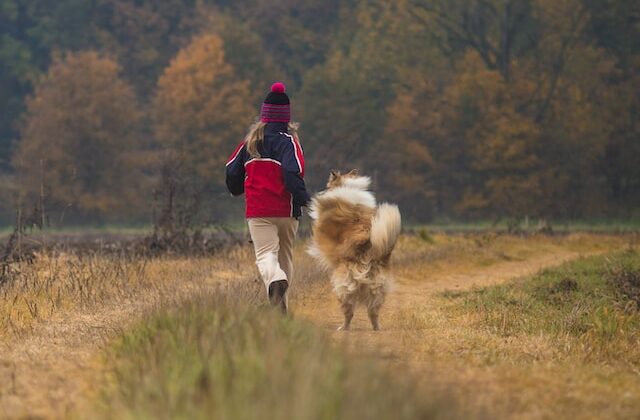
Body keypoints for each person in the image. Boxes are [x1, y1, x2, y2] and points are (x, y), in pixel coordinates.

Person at [225, 82, 310, 314]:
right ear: (287, 118)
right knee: (285, 255)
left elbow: (231, 170)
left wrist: (235, 189)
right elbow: (292, 172)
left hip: (259, 210)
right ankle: (281, 304)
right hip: (286, 209)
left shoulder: (250, 143)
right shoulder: (290, 142)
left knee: (265, 255)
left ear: (263, 115)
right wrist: (304, 199)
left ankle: (275, 282)